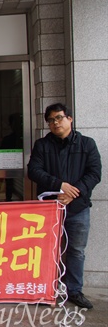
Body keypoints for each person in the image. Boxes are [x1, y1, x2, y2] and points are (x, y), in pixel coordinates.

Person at [27, 103, 101, 309]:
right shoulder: (43, 145)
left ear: (69, 118)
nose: (55, 123)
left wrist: (73, 193)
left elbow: (95, 173)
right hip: (50, 209)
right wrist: (59, 186)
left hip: (78, 208)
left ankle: (74, 290)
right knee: (49, 249)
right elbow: (33, 170)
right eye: (50, 120)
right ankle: (48, 288)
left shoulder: (87, 144)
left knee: (76, 250)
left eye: (59, 118)